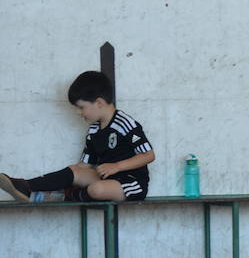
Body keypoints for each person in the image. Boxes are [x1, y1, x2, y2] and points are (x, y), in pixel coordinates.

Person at [0, 71, 155, 203]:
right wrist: (71, 176)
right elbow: (84, 165)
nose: (79, 113)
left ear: (99, 103)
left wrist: (117, 166)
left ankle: (67, 195)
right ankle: (26, 186)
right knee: (74, 170)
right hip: (106, 179)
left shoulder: (125, 123)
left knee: (97, 190)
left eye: (81, 107)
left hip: (131, 183)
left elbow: (149, 155)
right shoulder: (94, 130)